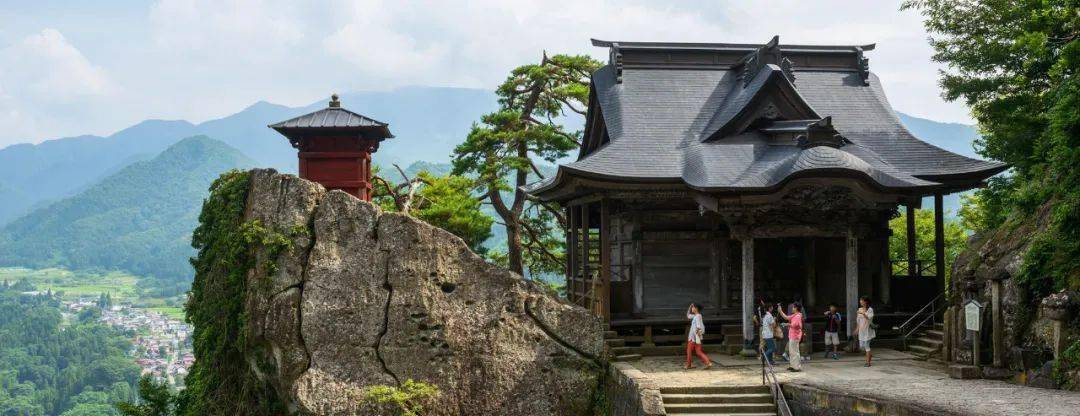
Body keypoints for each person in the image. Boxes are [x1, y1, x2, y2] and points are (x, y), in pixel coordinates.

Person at [777, 301, 804, 372]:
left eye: (794, 307)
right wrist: (780, 311)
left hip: (795, 336)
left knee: (794, 352)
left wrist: (787, 324)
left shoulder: (798, 316)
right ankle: (793, 366)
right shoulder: (795, 315)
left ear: (796, 308)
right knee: (792, 351)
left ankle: (796, 367)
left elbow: (794, 325)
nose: (792, 308)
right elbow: (786, 317)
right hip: (793, 335)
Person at [685, 303, 713, 370]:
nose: (692, 308)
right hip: (697, 337)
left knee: (689, 351)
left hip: (693, 337)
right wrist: (690, 306)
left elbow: (698, 326)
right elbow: (688, 316)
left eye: (693, 307)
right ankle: (708, 363)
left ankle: (689, 365)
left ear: (696, 308)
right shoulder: (696, 316)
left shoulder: (697, 316)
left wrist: (695, 336)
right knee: (698, 351)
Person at [856, 296, 875, 367]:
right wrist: (857, 329)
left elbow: (869, 317)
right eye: (860, 300)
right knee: (861, 346)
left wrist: (863, 313)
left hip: (867, 330)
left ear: (866, 301)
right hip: (861, 330)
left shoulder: (870, 309)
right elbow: (858, 320)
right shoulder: (859, 309)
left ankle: (868, 362)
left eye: (862, 300)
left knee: (867, 346)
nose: (860, 301)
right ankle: (869, 354)